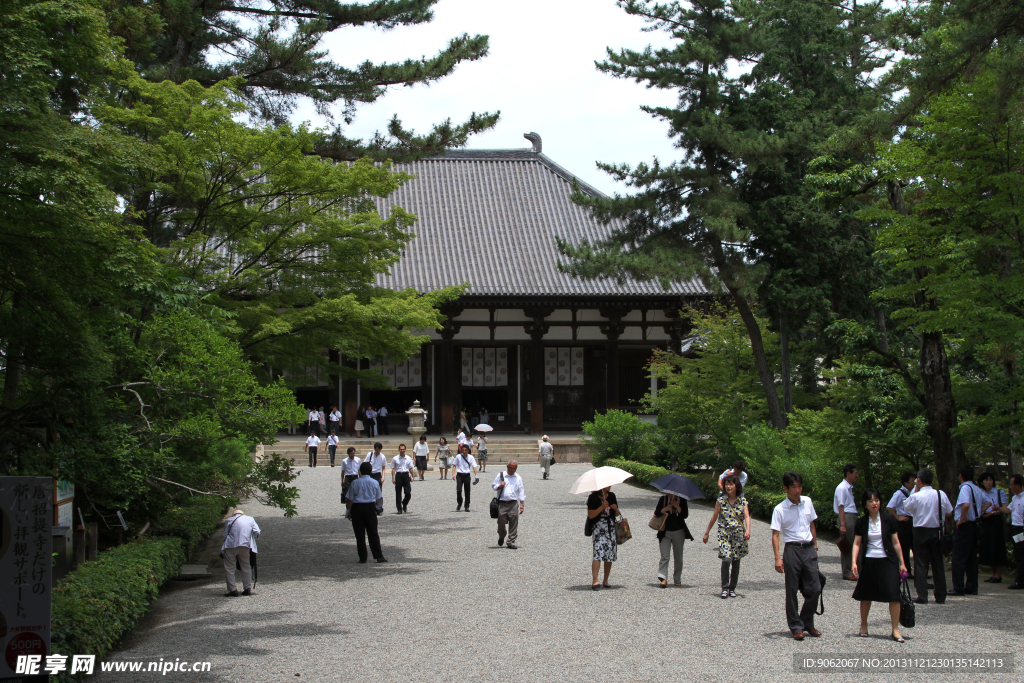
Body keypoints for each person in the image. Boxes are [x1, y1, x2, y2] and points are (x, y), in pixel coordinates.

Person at [851, 488, 907, 642]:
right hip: (869, 560)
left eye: (876, 500)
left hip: (888, 560)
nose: (874, 503)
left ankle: (895, 630)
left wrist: (902, 562)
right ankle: (863, 625)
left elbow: (896, 542)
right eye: (870, 501)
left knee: (894, 595)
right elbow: (857, 543)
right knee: (866, 595)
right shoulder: (861, 522)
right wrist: (854, 562)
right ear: (865, 504)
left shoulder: (889, 519)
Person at [770, 472, 822, 641]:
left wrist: (815, 546)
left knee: (815, 587)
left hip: (808, 548)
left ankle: (807, 621)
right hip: (792, 549)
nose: (798, 490)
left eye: (799, 486)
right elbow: (775, 534)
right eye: (794, 487)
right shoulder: (780, 509)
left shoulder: (807, 502)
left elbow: (812, 524)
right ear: (786, 488)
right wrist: (778, 557)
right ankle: (796, 626)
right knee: (791, 589)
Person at [902, 468, 954, 604]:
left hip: (920, 531)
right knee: (937, 564)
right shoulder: (940, 494)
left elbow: (906, 508)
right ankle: (941, 595)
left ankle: (922, 595)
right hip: (937, 531)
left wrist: (914, 492)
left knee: (920, 563)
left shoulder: (916, 496)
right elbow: (949, 512)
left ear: (918, 480)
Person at [703, 474, 750, 597]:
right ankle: (724, 587)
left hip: (738, 535)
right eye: (726, 484)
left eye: (731, 484)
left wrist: (748, 530)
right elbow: (714, 516)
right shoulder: (721, 501)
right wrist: (707, 532)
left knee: (736, 561)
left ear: (736, 486)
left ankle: (732, 588)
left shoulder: (742, 501)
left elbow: (746, 516)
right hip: (724, 533)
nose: (728, 487)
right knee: (726, 559)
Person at [950, 464, 984, 596]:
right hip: (974, 524)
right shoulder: (976, 488)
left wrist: (961, 520)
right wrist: (978, 513)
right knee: (971, 557)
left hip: (965, 525)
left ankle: (958, 587)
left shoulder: (965, 488)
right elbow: (988, 502)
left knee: (958, 557)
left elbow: (966, 504)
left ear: (961, 476)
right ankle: (972, 586)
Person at [345, 462, 387, 563]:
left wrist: (348, 510)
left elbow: (350, 499)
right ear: (371, 471)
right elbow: (378, 498)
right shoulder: (374, 482)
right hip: (370, 508)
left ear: (360, 471)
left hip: (357, 508)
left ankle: (362, 557)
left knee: (360, 534)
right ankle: (378, 555)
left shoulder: (355, 482)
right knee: (373, 532)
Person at [653, 492, 692, 588]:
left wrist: (677, 506)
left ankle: (677, 578)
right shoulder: (663, 499)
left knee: (678, 557)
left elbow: (685, 515)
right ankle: (663, 578)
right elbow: (657, 513)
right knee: (664, 556)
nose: (669, 493)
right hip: (664, 531)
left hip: (679, 531)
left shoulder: (682, 500)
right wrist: (665, 509)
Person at [993, 474, 1024, 589]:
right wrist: (999, 508)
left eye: (1012, 485)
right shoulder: (1015, 498)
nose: (1010, 487)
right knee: (1018, 554)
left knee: (1021, 555)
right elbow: (1008, 510)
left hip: (1022, 529)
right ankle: (1020, 579)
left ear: (1018, 485)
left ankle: (1020, 581)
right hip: (1015, 529)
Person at [587, 486, 620, 590]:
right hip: (598, 527)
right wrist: (601, 507)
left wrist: (616, 509)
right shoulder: (593, 497)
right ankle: (595, 580)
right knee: (597, 552)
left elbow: (617, 514)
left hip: (610, 527)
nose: (610, 486)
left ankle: (606, 580)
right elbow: (591, 515)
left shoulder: (611, 496)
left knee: (609, 554)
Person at [885, 471, 917, 579]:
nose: (914, 483)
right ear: (906, 483)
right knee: (905, 547)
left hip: (912, 521)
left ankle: (919, 571)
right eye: (912, 481)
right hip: (904, 523)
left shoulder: (912, 492)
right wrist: (898, 517)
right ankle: (906, 571)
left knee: (915, 547)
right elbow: (889, 507)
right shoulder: (898, 494)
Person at [222, 508, 260, 597]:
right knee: (246, 566)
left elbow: (225, 536)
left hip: (231, 546)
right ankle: (247, 588)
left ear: (234, 515)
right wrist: (251, 538)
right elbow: (257, 531)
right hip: (245, 545)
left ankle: (233, 590)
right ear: (242, 514)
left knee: (229, 568)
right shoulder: (250, 519)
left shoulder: (229, 520)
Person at [978, 472, 1008, 583]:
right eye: (986, 480)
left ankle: (998, 574)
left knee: (997, 546)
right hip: (986, 522)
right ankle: (993, 573)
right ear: (982, 482)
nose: (988, 482)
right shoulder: (981, 493)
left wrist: (994, 511)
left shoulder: (999, 492)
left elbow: (1005, 508)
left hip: (996, 521)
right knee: (988, 547)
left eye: (990, 480)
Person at [833, 464, 859, 581]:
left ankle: (854, 569)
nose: (857, 476)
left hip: (852, 516)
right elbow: (841, 507)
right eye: (855, 473)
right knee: (848, 544)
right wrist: (843, 525)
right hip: (846, 517)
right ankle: (847, 571)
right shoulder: (842, 488)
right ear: (848, 473)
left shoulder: (849, 488)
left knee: (855, 543)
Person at [492, 460, 525, 549]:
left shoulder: (518, 478)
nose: (512, 470)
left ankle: (510, 541)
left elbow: (521, 491)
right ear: (507, 467)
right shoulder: (501, 475)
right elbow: (493, 485)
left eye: (514, 468)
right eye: (510, 468)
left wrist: (522, 504)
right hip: (502, 503)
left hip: (513, 503)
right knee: (501, 523)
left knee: (514, 522)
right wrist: (499, 486)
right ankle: (501, 536)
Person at [452, 443, 478, 512]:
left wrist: (476, 475)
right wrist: (453, 474)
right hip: (459, 474)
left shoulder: (471, 457)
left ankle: (467, 506)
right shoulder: (458, 456)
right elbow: (454, 465)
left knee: (467, 491)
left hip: (467, 475)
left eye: (465, 450)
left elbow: (474, 466)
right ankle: (459, 503)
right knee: (459, 490)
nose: (464, 452)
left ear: (468, 451)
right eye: (463, 450)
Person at [364, 443, 387, 515]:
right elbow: (365, 464)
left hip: (378, 474)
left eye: (379, 449)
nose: (378, 451)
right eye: (376, 449)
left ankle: (378, 507)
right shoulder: (370, 455)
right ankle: (371, 507)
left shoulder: (382, 457)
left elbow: (383, 468)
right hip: (370, 474)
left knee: (378, 491)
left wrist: (383, 477)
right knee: (370, 491)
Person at [391, 444, 414, 514]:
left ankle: (404, 503)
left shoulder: (408, 458)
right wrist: (393, 478)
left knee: (408, 492)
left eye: (403, 449)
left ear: (405, 450)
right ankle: (399, 508)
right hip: (398, 475)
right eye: (401, 449)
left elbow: (411, 468)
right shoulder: (395, 458)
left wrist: (413, 476)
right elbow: (393, 469)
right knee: (398, 493)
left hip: (406, 475)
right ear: (399, 450)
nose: (402, 450)